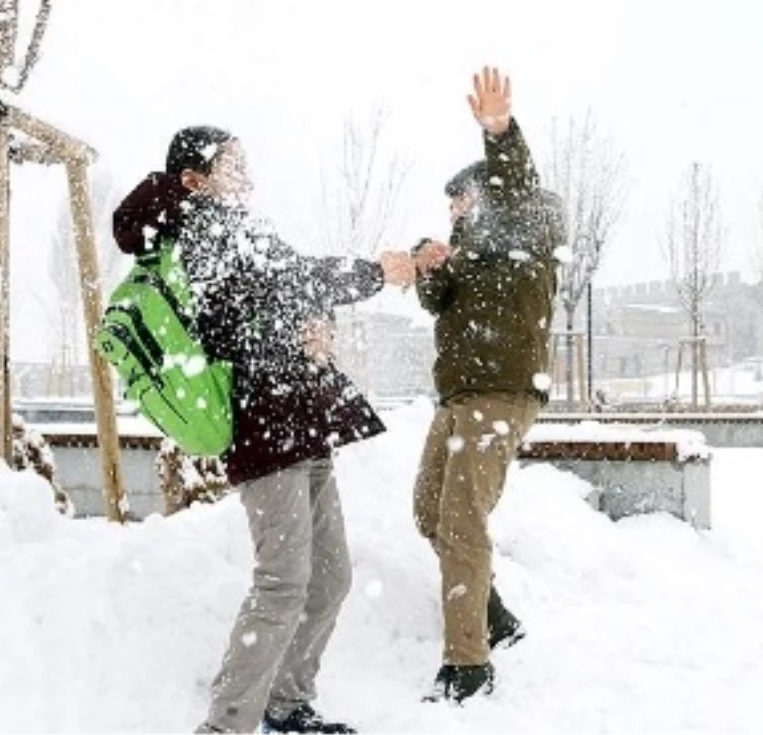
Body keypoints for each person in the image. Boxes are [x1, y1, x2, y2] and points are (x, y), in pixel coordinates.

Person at [112, 126, 416, 735]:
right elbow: (282, 282)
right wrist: (372, 272)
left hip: (303, 420)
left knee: (331, 578)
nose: (247, 177)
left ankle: (287, 703)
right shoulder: (200, 229)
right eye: (233, 165)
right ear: (195, 179)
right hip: (265, 427)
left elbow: (283, 292)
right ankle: (226, 725)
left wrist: (315, 322)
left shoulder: (239, 229)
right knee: (283, 583)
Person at [410, 67, 563, 703]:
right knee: (429, 512)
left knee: (463, 521)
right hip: (460, 399)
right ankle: (493, 614)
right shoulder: (468, 253)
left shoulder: (528, 226)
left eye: (461, 202)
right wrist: (427, 262)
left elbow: (518, 187)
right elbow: (436, 301)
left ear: (486, 195)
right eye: (450, 207)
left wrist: (498, 132)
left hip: (501, 396)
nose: (454, 213)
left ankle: (468, 664)